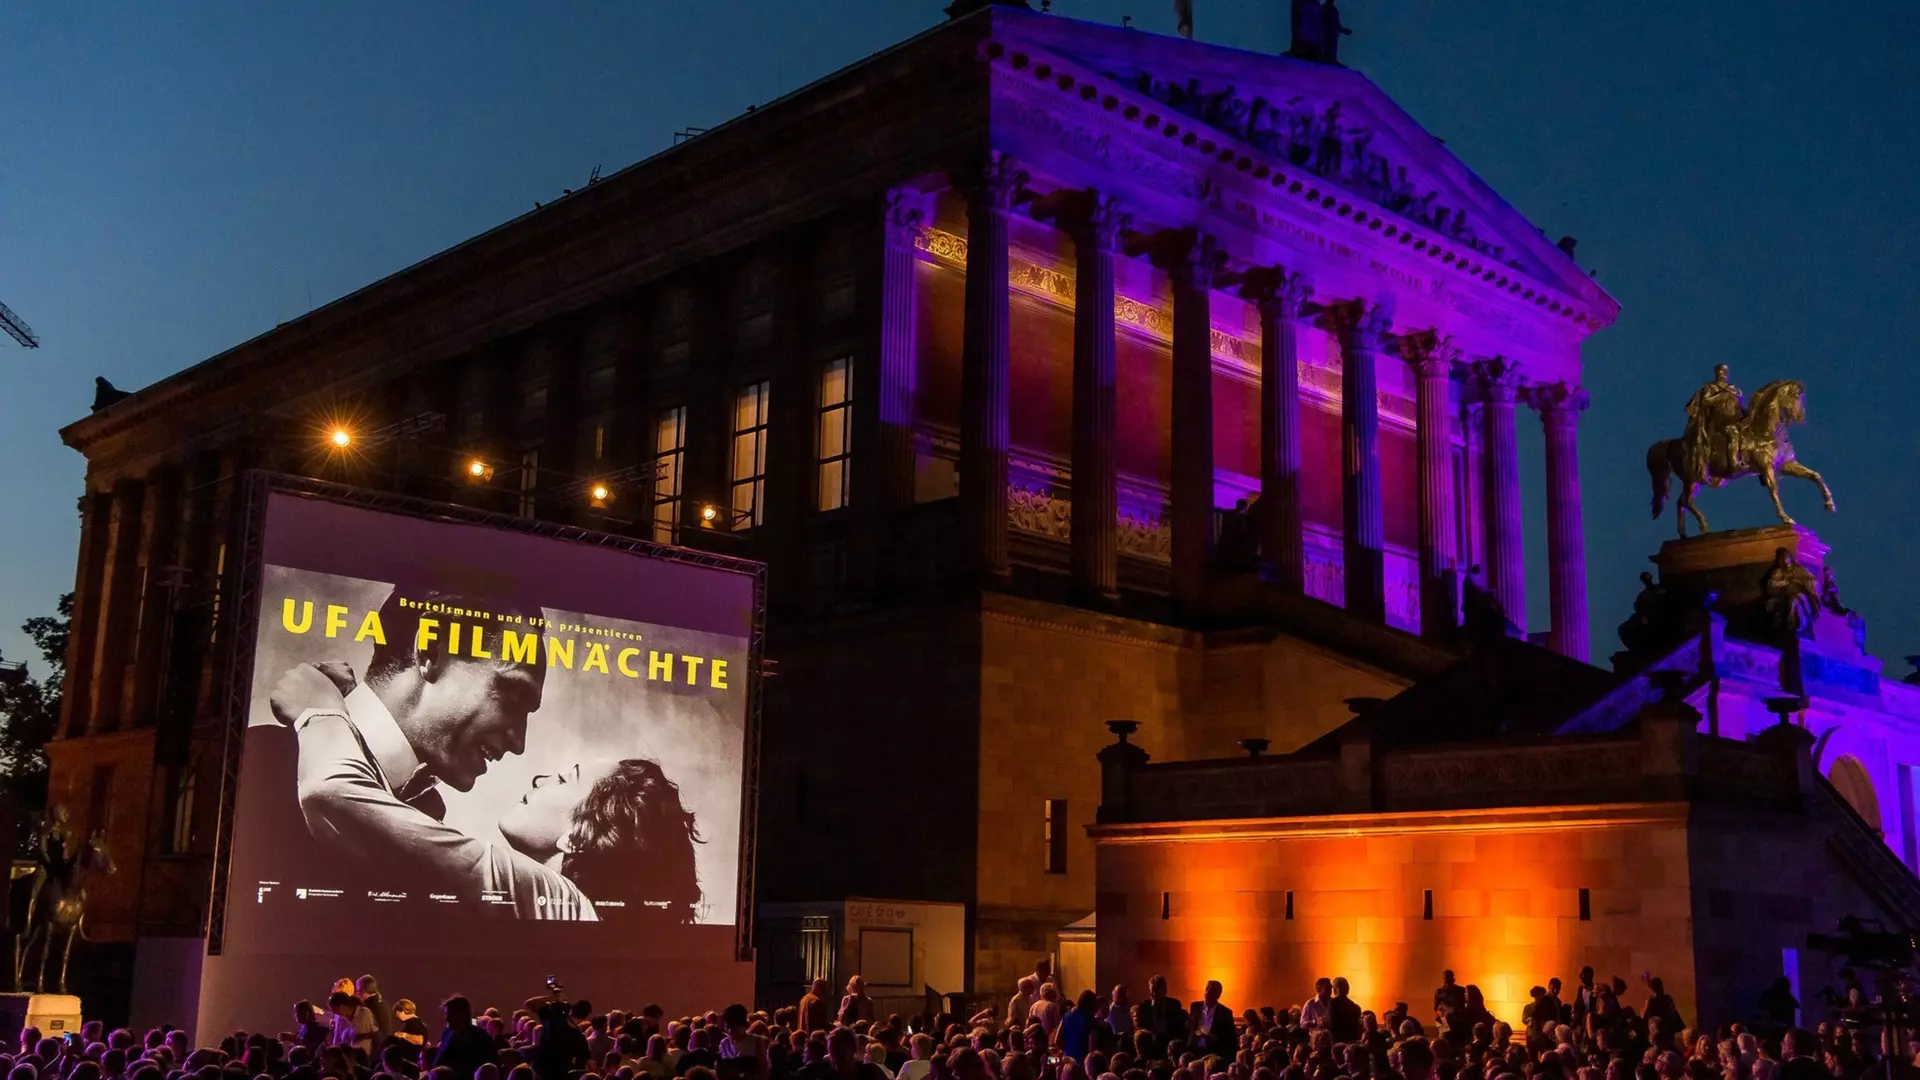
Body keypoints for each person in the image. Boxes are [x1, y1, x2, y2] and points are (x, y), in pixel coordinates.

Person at [273, 662, 703, 921]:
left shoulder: (553, 898)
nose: (539, 778)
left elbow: (333, 793)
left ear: (576, 836)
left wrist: (320, 710)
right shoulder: (578, 917)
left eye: (564, 779)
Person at [1684, 364, 1746, 481]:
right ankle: (1733, 464)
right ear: (1716, 373)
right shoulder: (1710, 387)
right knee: (1733, 433)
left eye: (1725, 371)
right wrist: (1721, 396)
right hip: (1719, 420)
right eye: (1720, 371)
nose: (1723, 374)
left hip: (1735, 419)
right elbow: (1706, 401)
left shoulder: (1734, 389)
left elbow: (1740, 405)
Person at [434, 995, 494, 1080]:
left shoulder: (481, 1038)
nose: (447, 1018)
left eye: (451, 1014)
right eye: (446, 1014)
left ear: (463, 1014)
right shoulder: (447, 1034)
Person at [1188, 981, 1235, 1056]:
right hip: (1194, 1048)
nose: (1207, 993)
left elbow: (1229, 1036)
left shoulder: (1225, 1012)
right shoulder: (1195, 1006)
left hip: (1213, 1052)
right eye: (1207, 989)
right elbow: (1190, 1026)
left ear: (1218, 994)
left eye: (1211, 991)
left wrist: (1213, 1038)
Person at [356, 976, 393, 1044]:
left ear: (363, 992)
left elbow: (374, 1031)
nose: (356, 995)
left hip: (374, 1048)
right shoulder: (385, 1005)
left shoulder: (367, 1009)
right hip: (385, 1045)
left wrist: (357, 1036)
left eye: (357, 991)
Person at [1327, 977, 1362, 1043]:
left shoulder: (1332, 1004)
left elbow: (1331, 1024)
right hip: (1351, 1043)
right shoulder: (1355, 1007)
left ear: (1334, 990)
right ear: (1348, 989)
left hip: (1337, 1043)